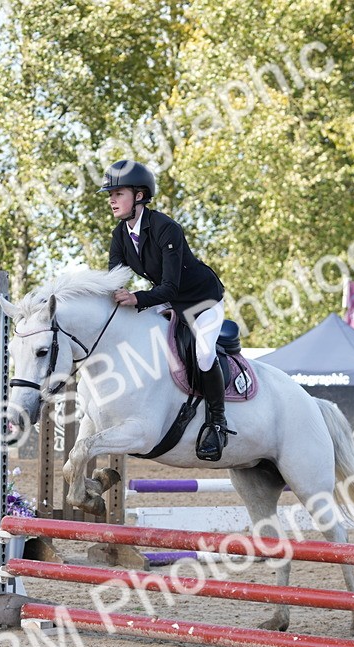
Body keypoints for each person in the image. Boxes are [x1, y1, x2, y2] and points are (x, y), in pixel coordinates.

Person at [98, 159, 232, 461]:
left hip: (202, 301)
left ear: (140, 196)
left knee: (204, 353)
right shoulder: (120, 234)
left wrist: (136, 298)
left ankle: (217, 423)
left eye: (118, 193)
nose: (111, 199)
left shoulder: (166, 228)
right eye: (110, 194)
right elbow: (114, 279)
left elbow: (170, 286)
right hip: (167, 301)